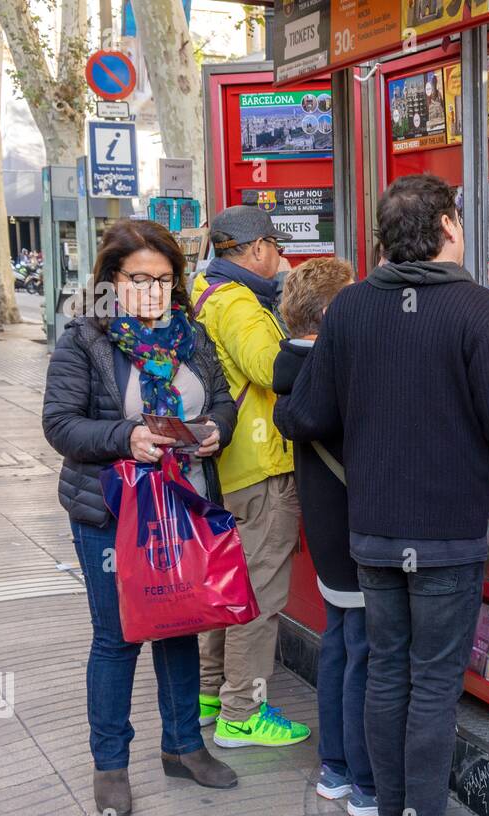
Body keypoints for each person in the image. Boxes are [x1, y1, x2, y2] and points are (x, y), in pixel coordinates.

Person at [275, 173, 489, 816]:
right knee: (433, 686)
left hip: (374, 531)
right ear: (447, 229)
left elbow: (305, 413)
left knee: (388, 677)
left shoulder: (350, 308)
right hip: (443, 535)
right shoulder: (473, 306)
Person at [42, 219, 239, 816]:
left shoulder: (192, 335)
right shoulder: (85, 338)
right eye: (138, 279)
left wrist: (216, 430)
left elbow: (222, 400)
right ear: (111, 279)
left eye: (164, 279)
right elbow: (61, 424)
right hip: (112, 512)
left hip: (184, 505)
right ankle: (111, 764)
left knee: (180, 625)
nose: (153, 291)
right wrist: (126, 437)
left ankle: (183, 747)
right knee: (118, 636)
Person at [191, 205, 311, 748]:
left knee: (228, 588)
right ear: (258, 248)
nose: (280, 257)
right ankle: (243, 712)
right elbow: (271, 369)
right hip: (259, 469)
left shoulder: (205, 291)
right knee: (259, 596)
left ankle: (211, 694)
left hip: (227, 466)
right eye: (276, 247)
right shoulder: (239, 303)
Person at [270, 257, 378, 816]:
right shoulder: (338, 372)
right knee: (364, 652)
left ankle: (334, 768)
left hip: (326, 528)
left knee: (338, 642)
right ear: (335, 312)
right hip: (356, 529)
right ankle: (365, 783)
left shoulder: (293, 369)